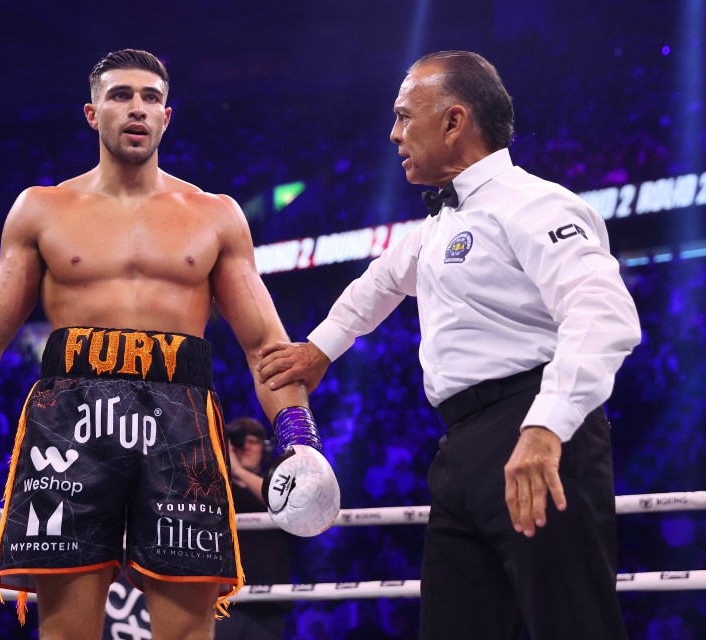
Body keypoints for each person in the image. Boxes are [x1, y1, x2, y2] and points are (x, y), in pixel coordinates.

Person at [0, 49, 339, 640]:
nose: (136, 108)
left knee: (188, 632)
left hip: (180, 421)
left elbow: (264, 343)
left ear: (168, 116)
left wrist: (300, 443)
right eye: (120, 95)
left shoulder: (216, 216)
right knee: (66, 631)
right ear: (92, 113)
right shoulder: (42, 209)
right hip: (70, 423)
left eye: (150, 98)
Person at [257, 50, 641, 640]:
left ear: (455, 121)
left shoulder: (535, 204)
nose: (394, 133)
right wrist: (321, 350)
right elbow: (380, 282)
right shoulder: (439, 224)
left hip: (536, 429)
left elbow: (606, 314)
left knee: (571, 624)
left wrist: (547, 427)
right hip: (461, 448)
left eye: (406, 117)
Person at [215, 417, 291, 640]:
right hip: (226, 601)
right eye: (240, 442)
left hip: (270, 603)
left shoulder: (280, 482)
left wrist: (239, 471)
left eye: (253, 441)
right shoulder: (215, 485)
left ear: (265, 447)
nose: (246, 447)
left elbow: (278, 500)